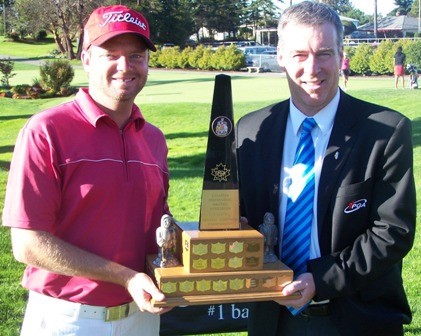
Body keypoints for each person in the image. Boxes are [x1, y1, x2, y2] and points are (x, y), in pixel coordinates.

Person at [236, 2, 416, 336]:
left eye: (324, 53)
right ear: (280, 57)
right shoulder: (250, 131)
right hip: (272, 319)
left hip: (356, 317)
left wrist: (321, 279)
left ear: (341, 54)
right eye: (299, 55)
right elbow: (241, 217)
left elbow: (393, 231)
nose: (312, 67)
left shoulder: (385, 131)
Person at [2, 5, 172, 336]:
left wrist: (215, 242)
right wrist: (124, 276)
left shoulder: (153, 139)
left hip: (143, 316)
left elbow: (157, 225)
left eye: (136, 55)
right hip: (69, 320)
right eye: (111, 54)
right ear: (87, 60)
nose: (125, 66)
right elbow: (27, 243)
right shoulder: (47, 131)